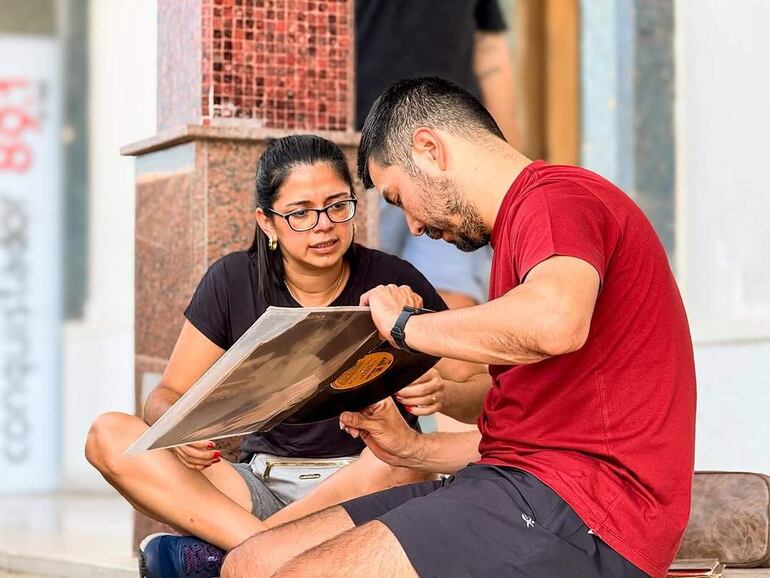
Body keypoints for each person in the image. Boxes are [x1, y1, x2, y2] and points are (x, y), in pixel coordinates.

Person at [220, 78, 696, 578]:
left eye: (399, 198)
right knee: (251, 564)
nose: (415, 228)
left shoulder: (556, 198)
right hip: (514, 486)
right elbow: (525, 437)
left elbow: (556, 322)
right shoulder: (516, 234)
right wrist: (413, 447)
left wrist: (405, 327)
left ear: (429, 148)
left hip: (591, 514)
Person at [84, 135, 491, 578]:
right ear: (267, 221)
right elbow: (165, 396)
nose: (324, 226)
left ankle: (225, 559)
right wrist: (181, 433)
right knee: (108, 435)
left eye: (338, 206)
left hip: (361, 480)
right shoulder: (233, 280)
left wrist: (444, 391)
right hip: (259, 483)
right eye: (300, 213)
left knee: (400, 464)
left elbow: (482, 386)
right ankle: (262, 557)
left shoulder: (393, 281)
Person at [356, 0, 518, 310]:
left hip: (455, 158)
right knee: (364, 309)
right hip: (368, 160)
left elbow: (489, 50)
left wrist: (509, 162)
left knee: (450, 306)